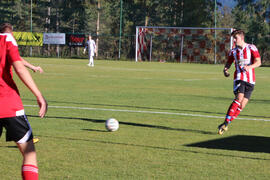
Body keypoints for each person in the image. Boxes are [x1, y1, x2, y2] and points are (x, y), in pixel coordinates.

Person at [0, 23, 48, 179]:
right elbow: (19, 67)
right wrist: (39, 95)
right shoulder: (7, 39)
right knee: (29, 153)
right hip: (9, 105)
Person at [0, 23, 43, 144]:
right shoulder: (7, 41)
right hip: (6, 93)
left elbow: (19, 59)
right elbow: (19, 64)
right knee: (15, 111)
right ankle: (23, 138)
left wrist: (32, 67)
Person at [218, 29, 261, 135]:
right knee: (239, 98)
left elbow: (258, 62)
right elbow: (228, 63)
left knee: (241, 106)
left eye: (235, 38)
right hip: (239, 77)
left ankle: (225, 124)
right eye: (233, 38)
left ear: (241, 38)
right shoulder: (233, 51)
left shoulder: (251, 47)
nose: (234, 41)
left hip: (251, 80)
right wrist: (225, 70)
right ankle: (226, 123)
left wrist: (249, 67)